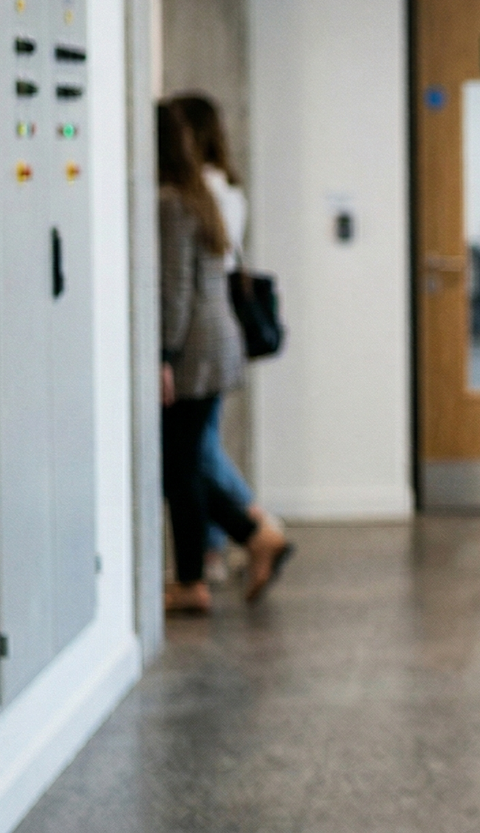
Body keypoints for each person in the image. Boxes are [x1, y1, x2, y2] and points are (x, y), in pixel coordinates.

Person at [159, 104, 291, 614]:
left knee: (181, 463)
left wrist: (164, 355)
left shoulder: (174, 202)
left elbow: (174, 290)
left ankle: (216, 560)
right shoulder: (210, 196)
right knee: (185, 461)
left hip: (193, 346)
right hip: (216, 340)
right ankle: (243, 541)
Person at [167, 93, 263, 581]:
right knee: (200, 446)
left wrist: (166, 351)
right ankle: (217, 546)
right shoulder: (227, 187)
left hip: (202, 330)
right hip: (219, 324)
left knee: (194, 453)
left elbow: (181, 281)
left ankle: (255, 529)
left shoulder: (194, 194)